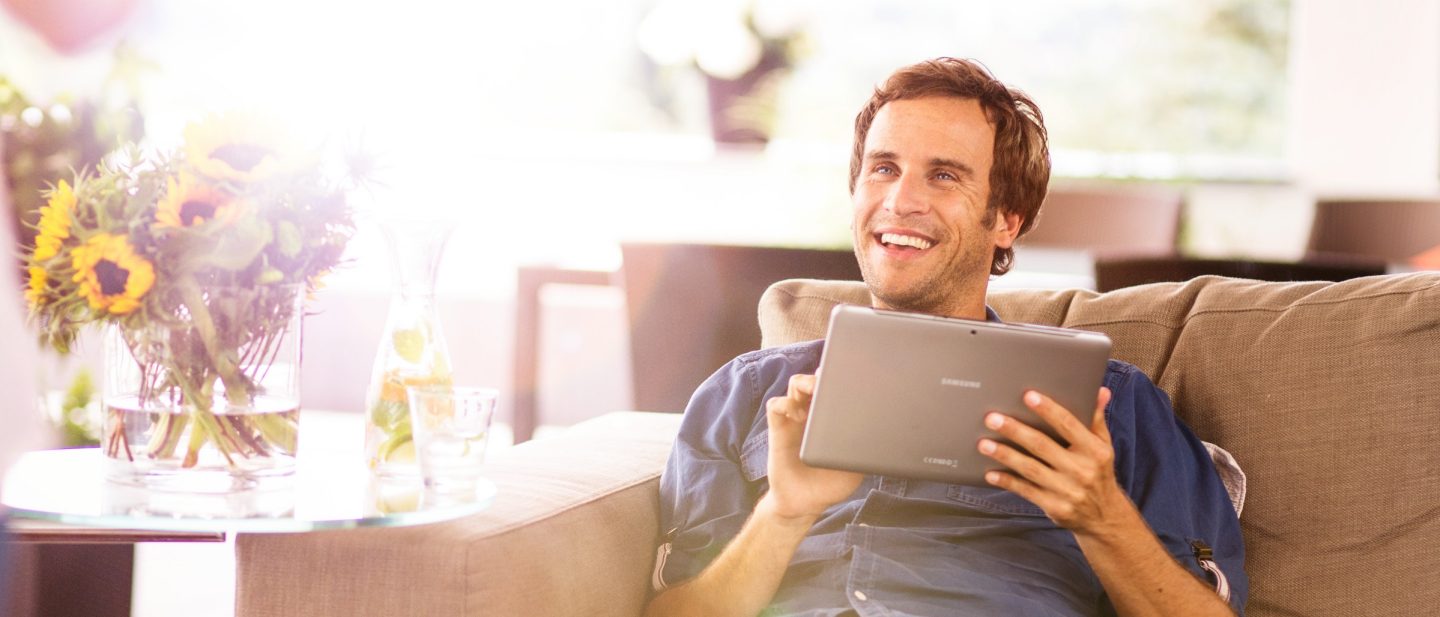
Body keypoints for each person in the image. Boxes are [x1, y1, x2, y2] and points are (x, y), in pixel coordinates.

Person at [643, 58, 1247, 617]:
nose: (901, 201)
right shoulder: (747, 394)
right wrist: (783, 514)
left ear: (1006, 219)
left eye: (944, 176)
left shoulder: (1113, 410)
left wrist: (1100, 519)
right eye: (883, 168)